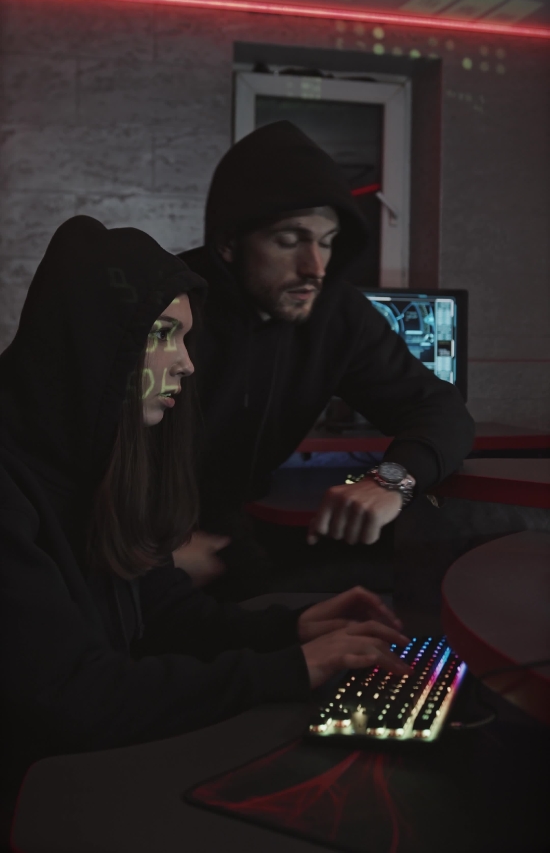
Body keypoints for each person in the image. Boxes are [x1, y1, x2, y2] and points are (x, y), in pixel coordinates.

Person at [0, 215, 409, 811]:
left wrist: (291, 631)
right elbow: (75, 697)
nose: (186, 363)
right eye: (164, 335)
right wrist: (290, 670)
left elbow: (161, 611)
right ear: (92, 345)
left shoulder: (91, 463)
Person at [178, 121, 475, 590]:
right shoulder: (165, 303)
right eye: (289, 240)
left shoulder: (335, 314)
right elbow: (71, 456)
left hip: (228, 534)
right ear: (229, 243)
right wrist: (150, 553)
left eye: (327, 242)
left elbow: (439, 408)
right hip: (123, 545)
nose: (314, 267)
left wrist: (390, 481)